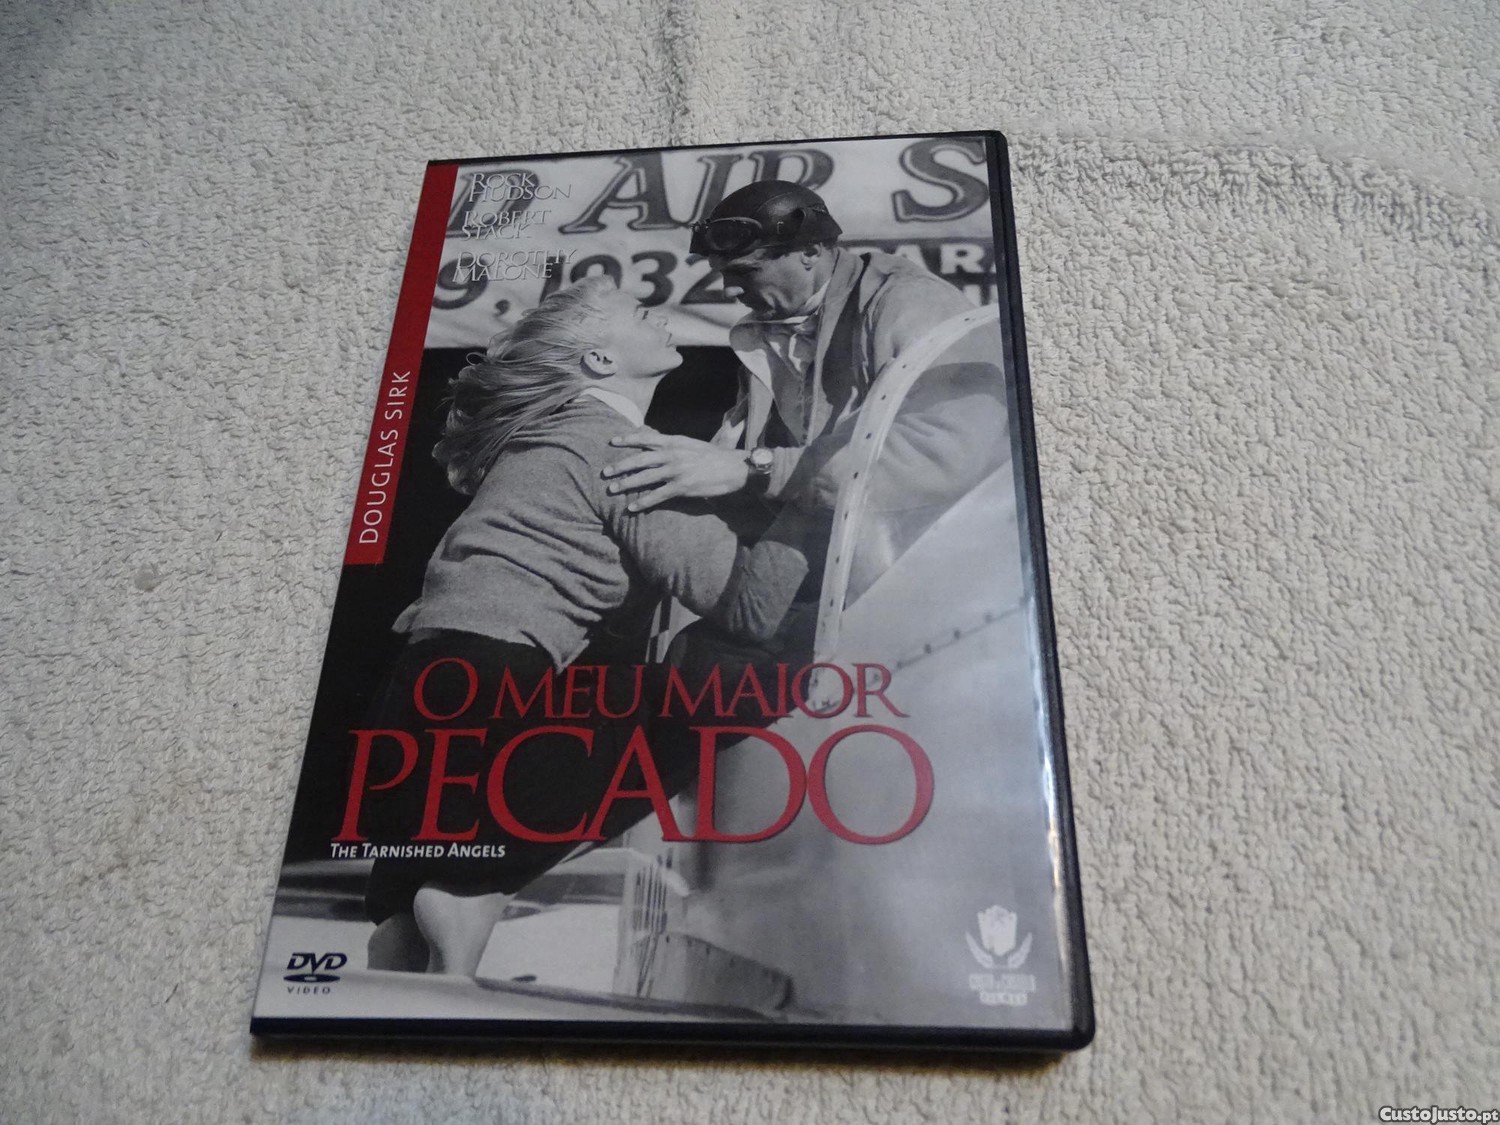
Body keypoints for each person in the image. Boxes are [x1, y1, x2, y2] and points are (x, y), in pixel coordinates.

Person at [362, 277, 808, 977]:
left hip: (420, 682)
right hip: (502, 681)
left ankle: (418, 936)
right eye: (639, 311)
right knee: (745, 683)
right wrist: (798, 492)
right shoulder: (622, 447)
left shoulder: (546, 438)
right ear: (600, 360)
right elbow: (751, 604)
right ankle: (473, 894)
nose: (658, 313)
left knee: (413, 900)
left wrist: (704, 475)